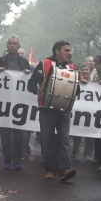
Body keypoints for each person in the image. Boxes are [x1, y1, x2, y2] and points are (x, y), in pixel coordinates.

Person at [28, 41, 77, 181]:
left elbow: (75, 89)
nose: (69, 53)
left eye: (69, 50)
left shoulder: (72, 68)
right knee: (47, 139)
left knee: (64, 139)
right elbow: (31, 82)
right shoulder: (44, 64)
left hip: (64, 109)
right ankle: (49, 169)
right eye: (66, 50)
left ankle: (65, 169)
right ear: (57, 51)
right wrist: (36, 89)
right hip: (46, 108)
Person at [0, 35, 32, 170]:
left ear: (18, 46)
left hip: (19, 102)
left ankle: (16, 160)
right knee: (5, 133)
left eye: (14, 43)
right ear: (7, 46)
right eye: (9, 43)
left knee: (18, 133)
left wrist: (27, 73)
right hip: (4, 102)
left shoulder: (24, 62)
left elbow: (30, 80)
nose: (12, 45)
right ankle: (7, 159)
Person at [72, 63, 94, 161]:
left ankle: (88, 154)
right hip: (79, 111)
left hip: (91, 112)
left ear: (90, 71)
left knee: (90, 134)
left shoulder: (95, 83)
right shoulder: (77, 82)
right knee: (77, 132)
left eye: (87, 69)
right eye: (83, 70)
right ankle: (74, 151)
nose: (85, 71)